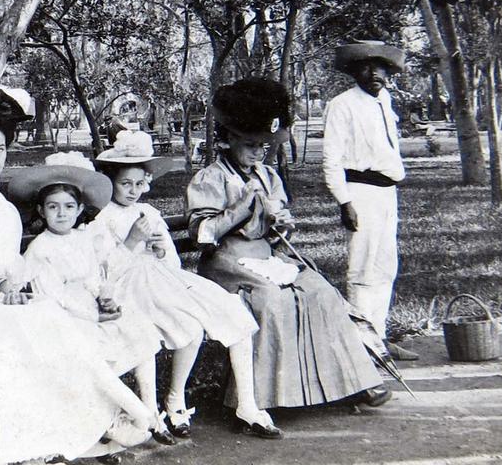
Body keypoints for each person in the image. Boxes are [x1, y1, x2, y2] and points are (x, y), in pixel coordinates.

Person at [0, 81, 155, 464]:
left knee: (54, 326)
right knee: (29, 343)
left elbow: (10, 263)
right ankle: (33, 445)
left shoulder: (5, 208)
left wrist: (13, 286)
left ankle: (99, 422)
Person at [186, 77, 391, 410]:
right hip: (226, 262)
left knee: (321, 292)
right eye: (251, 143)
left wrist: (282, 224)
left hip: (267, 257)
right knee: (271, 300)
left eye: (264, 144)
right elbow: (202, 236)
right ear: (228, 140)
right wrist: (239, 209)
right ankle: (262, 398)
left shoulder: (268, 176)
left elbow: (282, 227)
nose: (259, 150)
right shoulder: (210, 178)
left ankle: (352, 383)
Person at [94, 130, 283, 439]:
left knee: (230, 311)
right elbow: (102, 272)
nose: (132, 191)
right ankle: (173, 402)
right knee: (189, 327)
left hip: (160, 280)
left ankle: (247, 405)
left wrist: (157, 249)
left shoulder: (148, 212)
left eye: (139, 184)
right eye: (125, 184)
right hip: (128, 287)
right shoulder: (103, 217)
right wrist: (131, 243)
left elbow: (172, 263)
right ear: (110, 181)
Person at [8, 152, 173, 448]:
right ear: (41, 211)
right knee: (91, 354)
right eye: (53, 207)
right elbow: (53, 299)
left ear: (80, 208)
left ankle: (151, 410)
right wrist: (94, 316)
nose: (62, 214)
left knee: (140, 332)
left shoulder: (81, 239)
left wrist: (105, 298)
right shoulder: (40, 250)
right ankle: (104, 421)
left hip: (91, 309)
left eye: (69, 207)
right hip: (65, 320)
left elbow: (96, 278)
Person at [322, 40, 418, 361]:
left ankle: (380, 336)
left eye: (381, 67)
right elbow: (331, 160)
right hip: (360, 192)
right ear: (354, 71)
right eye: (366, 67)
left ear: (389, 72)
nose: (374, 73)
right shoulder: (342, 105)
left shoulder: (384, 100)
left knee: (385, 265)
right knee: (362, 268)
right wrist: (344, 201)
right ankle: (364, 347)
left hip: (386, 193)